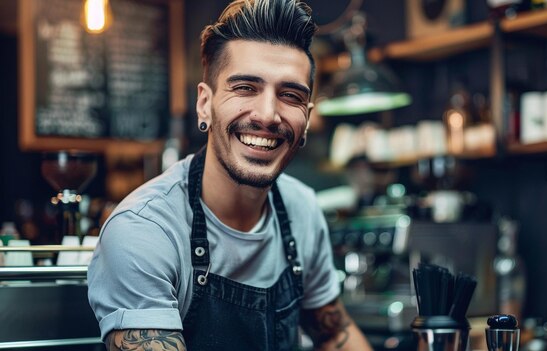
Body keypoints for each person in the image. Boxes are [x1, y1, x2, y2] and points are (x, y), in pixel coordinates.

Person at [87, 0, 373, 350]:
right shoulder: (144, 231)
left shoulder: (302, 209)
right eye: (245, 88)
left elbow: (334, 335)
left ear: (307, 120)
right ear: (205, 104)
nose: (268, 115)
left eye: (290, 95)